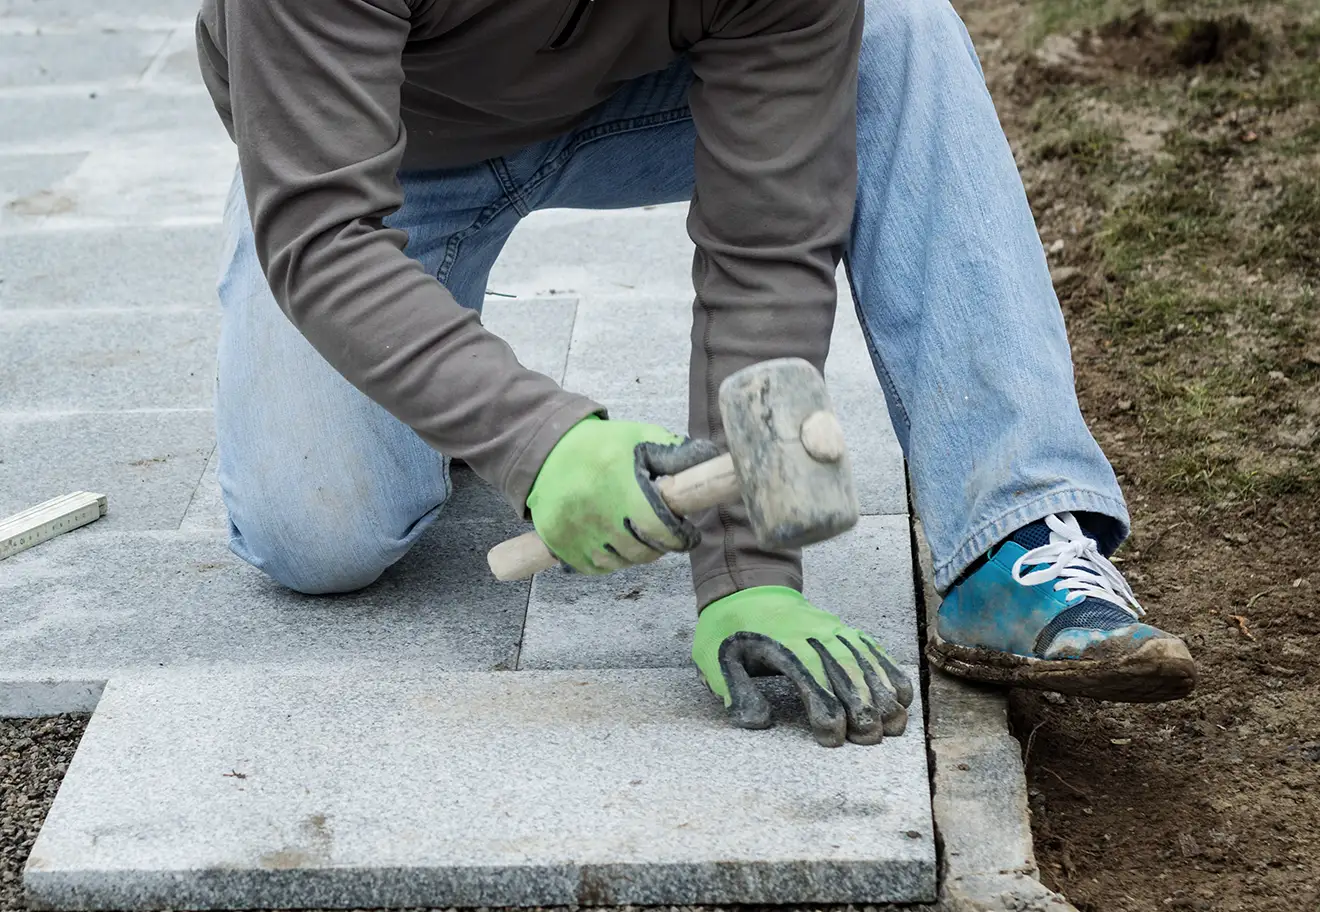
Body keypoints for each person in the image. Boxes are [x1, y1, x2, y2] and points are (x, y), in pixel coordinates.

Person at [197, 0, 1196, 749]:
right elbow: (324, 235)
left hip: (645, 95)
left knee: (897, 29)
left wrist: (749, 571)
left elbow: (767, 245)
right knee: (315, 535)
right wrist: (536, 438)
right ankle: (440, 355)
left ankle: (1014, 534)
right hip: (378, 155)